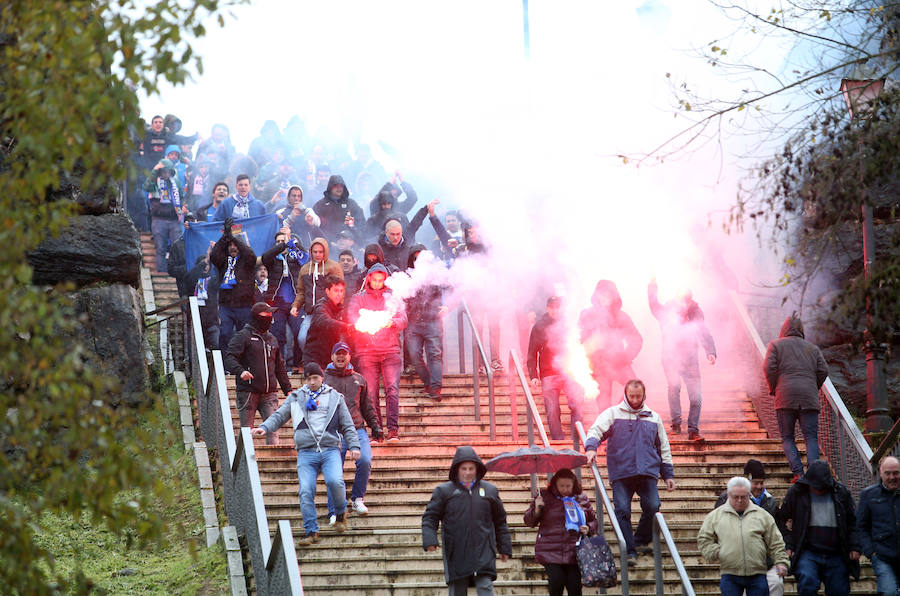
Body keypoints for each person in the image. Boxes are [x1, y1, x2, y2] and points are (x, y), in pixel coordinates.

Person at [252, 362, 361, 545]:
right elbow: (280, 415)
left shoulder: (335, 397)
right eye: (308, 378)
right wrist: (265, 427)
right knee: (305, 490)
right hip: (306, 451)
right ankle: (311, 531)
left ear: (321, 377)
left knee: (335, 481)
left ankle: (341, 512)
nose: (312, 382)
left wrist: (355, 446)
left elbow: (348, 425)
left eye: (315, 378)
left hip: (330, 448)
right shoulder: (296, 397)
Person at [583, 379, 675, 566]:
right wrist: (591, 447)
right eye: (631, 396)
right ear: (626, 394)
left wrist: (668, 475)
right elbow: (595, 430)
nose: (634, 399)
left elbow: (663, 447)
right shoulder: (613, 413)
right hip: (621, 471)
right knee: (622, 510)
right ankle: (629, 551)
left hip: (647, 470)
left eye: (638, 396)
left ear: (643, 395)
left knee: (653, 505)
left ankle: (640, 540)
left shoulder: (653, 417)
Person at [421, 446, 512, 596]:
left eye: (471, 468)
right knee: (457, 591)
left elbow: (500, 521)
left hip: (484, 552)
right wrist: (430, 539)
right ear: (457, 469)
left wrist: (504, 547)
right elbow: (430, 517)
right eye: (464, 469)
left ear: (477, 469)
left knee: (485, 588)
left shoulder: (490, 491)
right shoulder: (444, 491)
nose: (468, 473)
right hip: (456, 552)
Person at [777, 460, 861, 596]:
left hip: (837, 552)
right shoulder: (796, 492)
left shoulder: (841, 493)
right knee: (807, 581)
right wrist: (789, 544)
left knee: (840, 589)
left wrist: (855, 546)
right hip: (808, 551)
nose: (819, 491)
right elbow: (781, 519)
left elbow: (853, 521)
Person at [647, 279, 717, 441]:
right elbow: (654, 305)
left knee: (696, 397)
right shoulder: (667, 311)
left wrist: (710, 352)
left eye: (687, 299)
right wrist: (652, 285)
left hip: (691, 360)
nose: (684, 303)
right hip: (671, 358)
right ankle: (676, 425)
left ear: (690, 300)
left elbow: (704, 332)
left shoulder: (696, 312)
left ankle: (693, 430)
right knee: (674, 386)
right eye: (681, 299)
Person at [763, 314, 829, 481]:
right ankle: (814, 475)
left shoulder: (775, 345)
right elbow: (823, 370)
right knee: (811, 437)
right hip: (809, 398)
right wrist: (813, 386)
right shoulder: (812, 348)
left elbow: (768, 368)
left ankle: (798, 473)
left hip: (785, 396)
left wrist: (773, 387)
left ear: (784, 329)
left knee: (787, 437)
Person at [698, 477, 789, 596]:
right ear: (728, 495)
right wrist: (718, 552)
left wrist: (781, 562)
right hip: (730, 574)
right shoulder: (715, 516)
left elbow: (776, 542)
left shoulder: (762, 516)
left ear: (749, 494)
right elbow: (704, 539)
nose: (740, 500)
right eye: (736, 497)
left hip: (758, 573)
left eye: (744, 496)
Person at [348, 264, 407, 441]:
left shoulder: (393, 298)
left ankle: (393, 430)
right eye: (374, 279)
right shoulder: (359, 298)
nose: (377, 283)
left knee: (392, 390)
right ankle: (377, 431)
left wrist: (392, 322)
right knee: (371, 393)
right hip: (367, 351)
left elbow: (403, 318)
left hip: (390, 350)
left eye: (381, 280)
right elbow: (352, 317)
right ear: (368, 279)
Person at [324, 342, 382, 521]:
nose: (341, 357)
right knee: (334, 472)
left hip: (357, 429)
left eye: (344, 354)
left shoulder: (359, 379)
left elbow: (367, 406)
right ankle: (334, 511)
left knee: (365, 460)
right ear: (332, 356)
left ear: (349, 356)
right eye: (338, 354)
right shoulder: (323, 379)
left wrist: (376, 426)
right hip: (334, 432)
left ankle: (357, 499)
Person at [224, 302, 292, 445]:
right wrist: (240, 371)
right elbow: (229, 356)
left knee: (273, 430)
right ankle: (244, 464)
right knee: (246, 430)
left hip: (270, 393)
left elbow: (279, 366)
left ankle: (273, 459)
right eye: (266, 315)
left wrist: (288, 389)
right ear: (256, 317)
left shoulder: (272, 339)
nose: (270, 318)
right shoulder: (243, 336)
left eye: (270, 315)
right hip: (248, 392)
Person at [523, 468, 598, 596]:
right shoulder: (544, 496)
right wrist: (536, 509)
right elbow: (529, 522)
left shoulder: (582, 498)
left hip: (575, 550)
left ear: (574, 484)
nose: (565, 489)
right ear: (555, 485)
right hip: (550, 549)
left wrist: (589, 528)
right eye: (561, 486)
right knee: (556, 583)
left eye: (568, 486)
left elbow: (593, 520)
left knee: (575, 587)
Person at [527, 296, 586, 441]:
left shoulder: (568, 324)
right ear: (547, 308)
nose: (555, 310)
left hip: (568, 371)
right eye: (552, 307)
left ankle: (575, 441)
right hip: (548, 373)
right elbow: (532, 353)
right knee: (552, 410)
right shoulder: (539, 326)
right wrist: (533, 375)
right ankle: (559, 442)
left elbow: (579, 344)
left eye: (557, 307)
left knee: (577, 403)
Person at [579, 280, 643, 410]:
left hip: (619, 362)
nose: (605, 298)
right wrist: (590, 348)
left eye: (608, 295)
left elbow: (636, 339)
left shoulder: (621, 317)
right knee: (604, 405)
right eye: (602, 295)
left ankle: (618, 412)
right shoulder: (587, 315)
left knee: (635, 389)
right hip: (598, 366)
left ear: (614, 297)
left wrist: (625, 356)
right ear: (596, 296)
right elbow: (578, 339)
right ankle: (607, 425)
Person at [405, 246, 447, 399]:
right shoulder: (407, 276)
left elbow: (451, 288)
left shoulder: (435, 277)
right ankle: (429, 383)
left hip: (432, 321)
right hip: (413, 323)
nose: (418, 261)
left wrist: (447, 305)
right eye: (415, 258)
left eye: (420, 257)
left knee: (434, 355)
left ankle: (435, 388)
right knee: (414, 355)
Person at [289, 237, 344, 355]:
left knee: (331, 340)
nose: (318, 254)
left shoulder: (334, 267)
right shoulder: (304, 269)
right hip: (311, 313)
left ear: (325, 252)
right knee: (302, 338)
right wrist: (295, 306)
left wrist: (338, 310)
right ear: (311, 252)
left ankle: (331, 364)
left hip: (329, 313)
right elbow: (301, 292)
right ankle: (311, 360)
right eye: (315, 252)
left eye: (321, 252)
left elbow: (340, 290)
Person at [209, 219, 257, 351]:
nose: (233, 247)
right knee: (225, 334)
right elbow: (214, 256)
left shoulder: (247, 261)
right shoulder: (223, 260)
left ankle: (243, 363)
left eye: (235, 245)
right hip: (226, 306)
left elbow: (250, 254)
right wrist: (225, 237)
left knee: (244, 337)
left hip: (244, 306)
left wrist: (236, 239)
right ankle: (225, 365)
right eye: (230, 245)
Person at [856, 456, 900, 596]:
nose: (892, 477)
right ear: (880, 473)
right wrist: (871, 552)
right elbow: (861, 526)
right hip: (882, 556)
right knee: (889, 592)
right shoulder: (868, 495)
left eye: (896, 473)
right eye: (887, 473)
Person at [144, 158, 186, 273]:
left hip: (174, 220)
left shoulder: (175, 182)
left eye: (168, 171)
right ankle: (161, 272)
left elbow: (181, 196)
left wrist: (182, 207)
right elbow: (146, 187)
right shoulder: (155, 182)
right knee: (160, 248)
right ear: (159, 172)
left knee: (177, 248)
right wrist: (154, 170)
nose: (165, 174)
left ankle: (177, 272)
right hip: (159, 219)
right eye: (163, 171)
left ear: (171, 172)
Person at [303, 275, 353, 369]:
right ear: (327, 291)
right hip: (315, 360)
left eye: (341, 291)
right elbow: (323, 320)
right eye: (336, 290)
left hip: (332, 359)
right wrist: (346, 327)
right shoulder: (321, 306)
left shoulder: (342, 309)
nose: (339, 294)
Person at [313, 174, 365, 241]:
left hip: (348, 244)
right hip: (327, 243)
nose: (339, 188)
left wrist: (353, 226)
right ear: (330, 187)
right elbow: (314, 226)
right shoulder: (321, 205)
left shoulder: (351, 204)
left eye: (341, 186)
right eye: (336, 186)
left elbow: (361, 223)